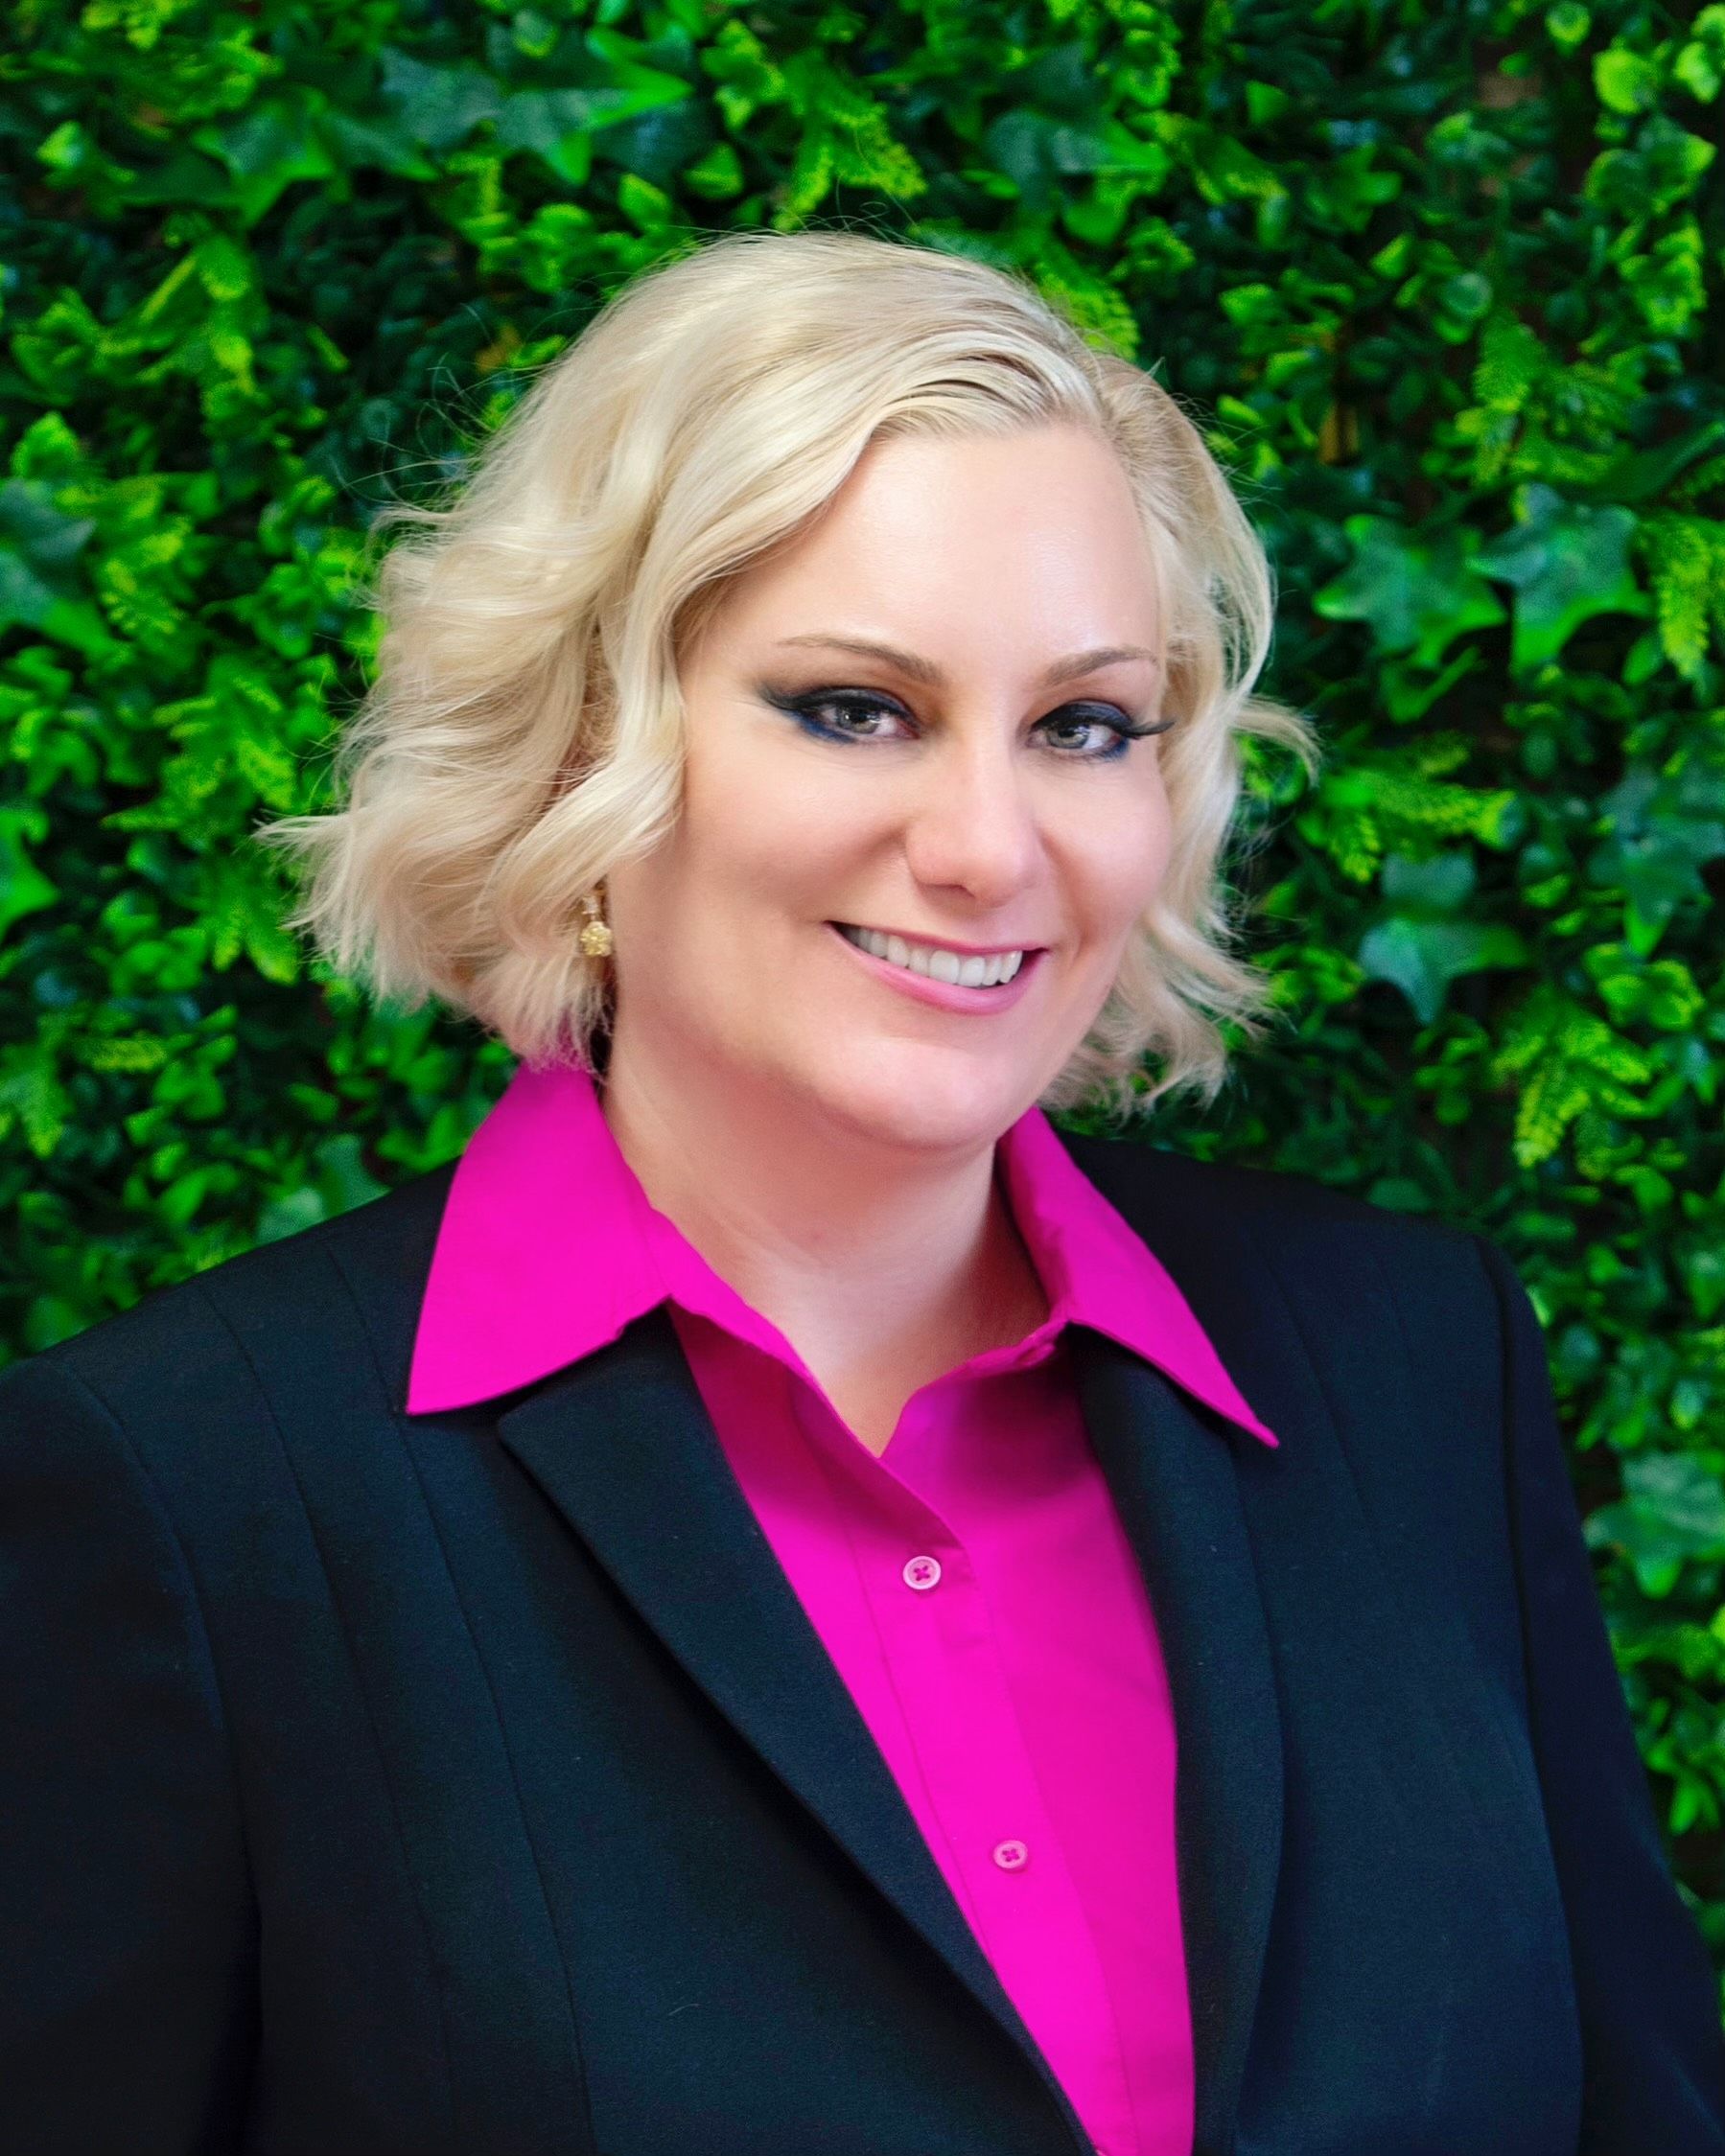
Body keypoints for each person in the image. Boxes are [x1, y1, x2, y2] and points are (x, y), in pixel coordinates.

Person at [1, 229, 1720, 2156]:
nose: (989, 846)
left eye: (1084, 726)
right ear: (588, 743)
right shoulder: (182, 1490)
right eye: (852, 706)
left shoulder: (1413, 1363)